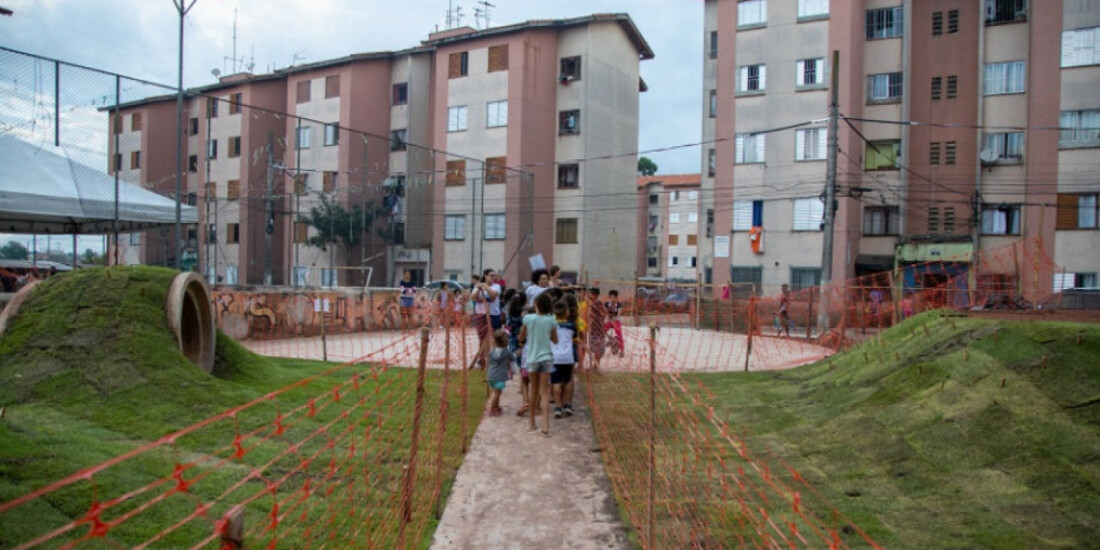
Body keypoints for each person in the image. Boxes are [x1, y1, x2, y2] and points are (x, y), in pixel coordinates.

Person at [518, 292, 559, 435]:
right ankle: (546, 425)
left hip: (532, 359)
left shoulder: (528, 318)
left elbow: (521, 337)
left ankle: (531, 423)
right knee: (545, 392)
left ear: (535, 304)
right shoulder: (552, 320)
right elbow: (555, 340)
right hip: (546, 358)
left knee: (533, 390)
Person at [550, 300, 577, 419]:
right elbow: (575, 339)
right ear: (566, 313)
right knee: (568, 380)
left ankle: (557, 407)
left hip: (555, 358)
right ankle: (568, 405)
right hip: (568, 358)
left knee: (556, 382)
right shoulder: (572, 325)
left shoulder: (551, 325)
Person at [486, 329, 514, 417]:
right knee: (497, 393)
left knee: (495, 392)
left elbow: (488, 361)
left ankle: (496, 407)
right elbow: (512, 358)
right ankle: (492, 408)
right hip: (500, 376)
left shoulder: (492, 350)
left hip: (491, 374)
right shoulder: (506, 351)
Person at [585, 287, 608, 369]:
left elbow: (605, 313)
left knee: (599, 348)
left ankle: (596, 365)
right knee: (594, 348)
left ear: (595, 295)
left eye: (591, 294)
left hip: (598, 329)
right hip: (594, 329)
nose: (589, 296)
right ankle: (595, 365)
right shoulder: (592, 303)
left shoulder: (596, 303)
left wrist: (598, 320)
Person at [605, 289, 624, 356]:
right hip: (609, 321)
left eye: (614, 298)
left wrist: (615, 319)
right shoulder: (607, 304)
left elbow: (619, 314)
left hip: (616, 321)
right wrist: (608, 319)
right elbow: (606, 313)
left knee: (619, 334)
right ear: (609, 298)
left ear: (616, 298)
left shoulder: (619, 305)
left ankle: (622, 351)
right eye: (611, 297)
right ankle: (611, 339)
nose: (612, 299)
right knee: (601, 330)